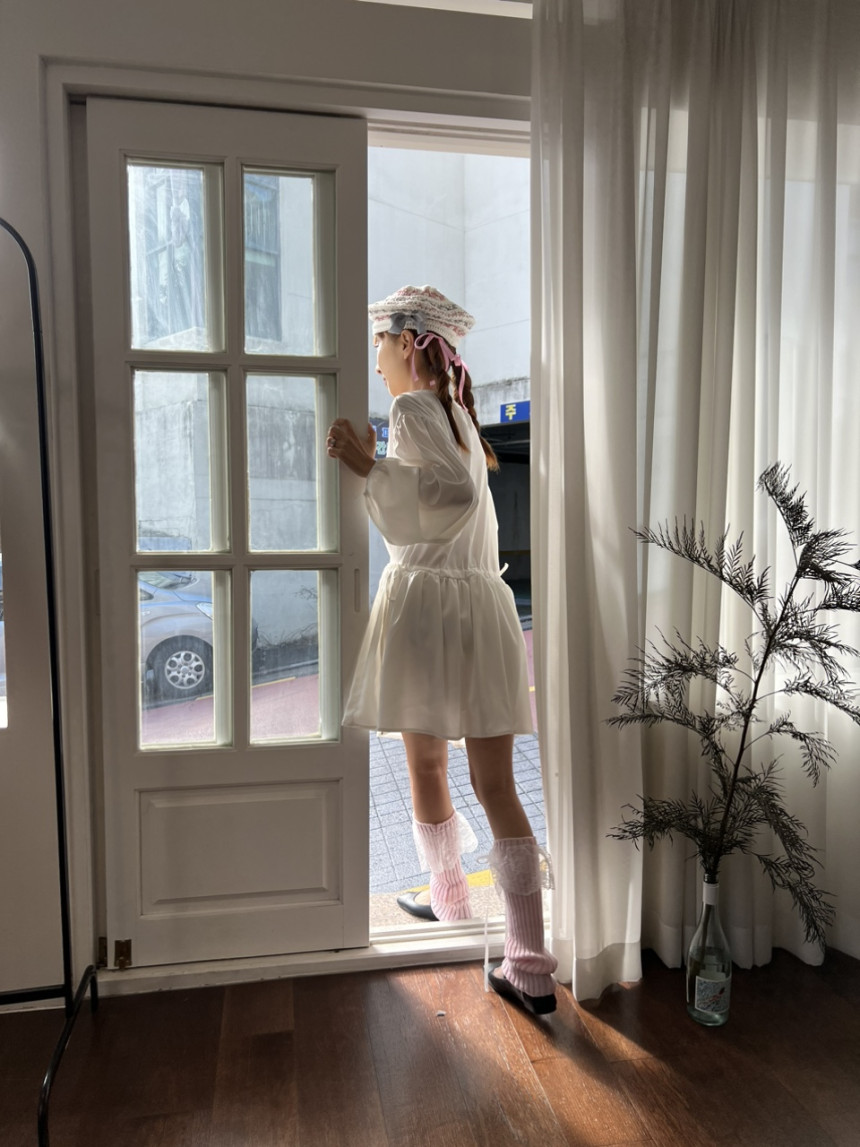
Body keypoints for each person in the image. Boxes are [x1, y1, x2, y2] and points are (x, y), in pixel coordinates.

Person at [326, 285, 557, 1015]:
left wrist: (370, 470)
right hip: (481, 604)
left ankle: (455, 902)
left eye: (380, 343)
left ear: (408, 342)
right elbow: (460, 491)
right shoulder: (458, 413)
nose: (375, 359)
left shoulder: (412, 410)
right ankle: (526, 958)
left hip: (430, 608)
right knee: (497, 784)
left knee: (426, 764)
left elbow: (448, 495)